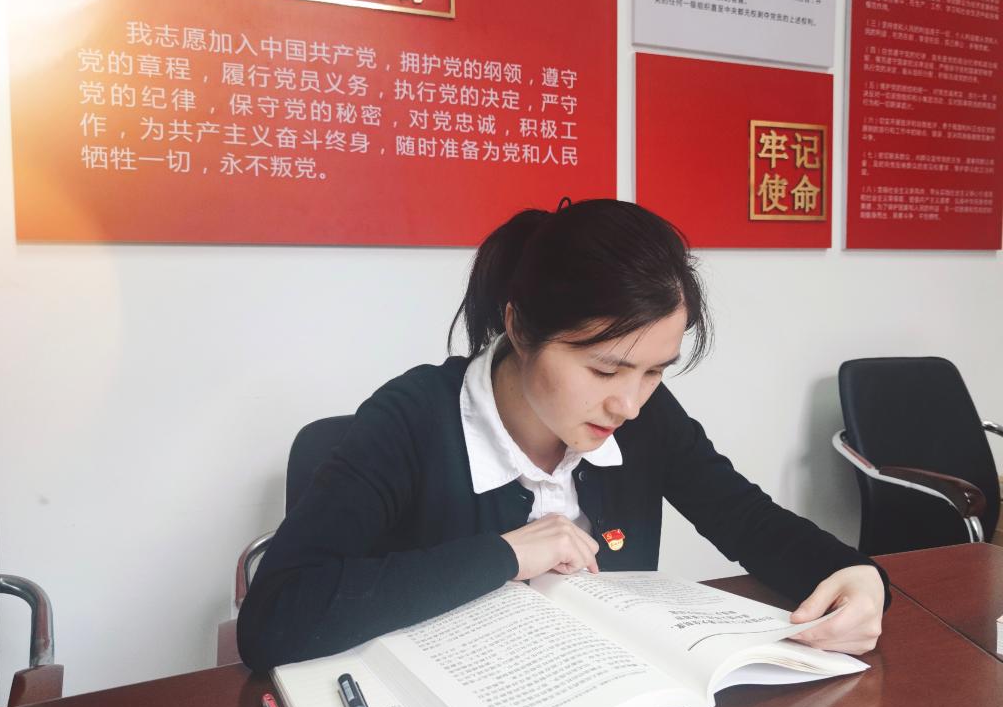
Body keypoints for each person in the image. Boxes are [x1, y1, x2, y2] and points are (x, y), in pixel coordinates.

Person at [237, 199, 888, 672]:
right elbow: (274, 618)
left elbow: (748, 520)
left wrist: (857, 576)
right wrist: (505, 553)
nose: (628, 403)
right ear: (521, 330)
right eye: (604, 369)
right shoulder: (411, 419)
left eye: (654, 371)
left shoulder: (645, 416)